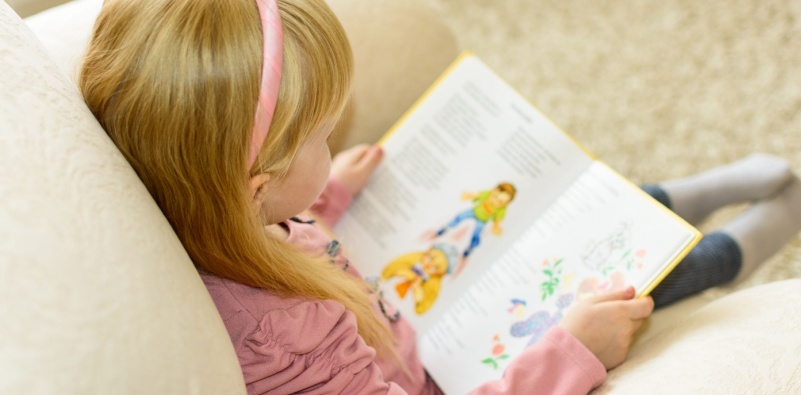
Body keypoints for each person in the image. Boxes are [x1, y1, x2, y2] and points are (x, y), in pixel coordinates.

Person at [78, 0, 801, 393]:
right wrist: (571, 354)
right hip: (451, 371)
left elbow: (272, 227)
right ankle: (744, 244)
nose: (335, 139)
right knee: (620, 285)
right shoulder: (280, 355)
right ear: (256, 181)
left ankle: (680, 193)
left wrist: (326, 196)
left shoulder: (217, 212)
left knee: (546, 215)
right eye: (323, 134)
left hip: (398, 304)